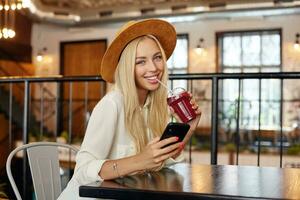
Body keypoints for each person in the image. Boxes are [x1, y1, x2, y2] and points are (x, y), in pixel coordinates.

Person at [58, 18, 201, 199]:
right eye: (141, 61)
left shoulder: (153, 106)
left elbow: (159, 160)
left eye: (157, 57)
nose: (154, 68)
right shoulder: (111, 105)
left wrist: (190, 127)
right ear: (127, 67)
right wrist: (140, 160)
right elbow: (83, 171)